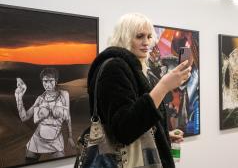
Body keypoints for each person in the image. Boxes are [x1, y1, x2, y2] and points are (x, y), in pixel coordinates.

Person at [87, 13, 190, 168]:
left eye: (149, 37)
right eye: (139, 36)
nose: (146, 42)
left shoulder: (136, 68)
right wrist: (163, 87)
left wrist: (161, 135)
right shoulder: (114, 68)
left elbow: (137, 119)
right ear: (124, 37)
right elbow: (124, 129)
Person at [14, 68, 75, 163]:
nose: (47, 84)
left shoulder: (64, 95)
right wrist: (18, 97)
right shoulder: (40, 99)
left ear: (56, 81)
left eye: (51, 81)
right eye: (45, 81)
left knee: (60, 164)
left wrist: (70, 136)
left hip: (55, 139)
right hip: (38, 139)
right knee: (29, 163)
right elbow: (24, 117)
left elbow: (68, 117)